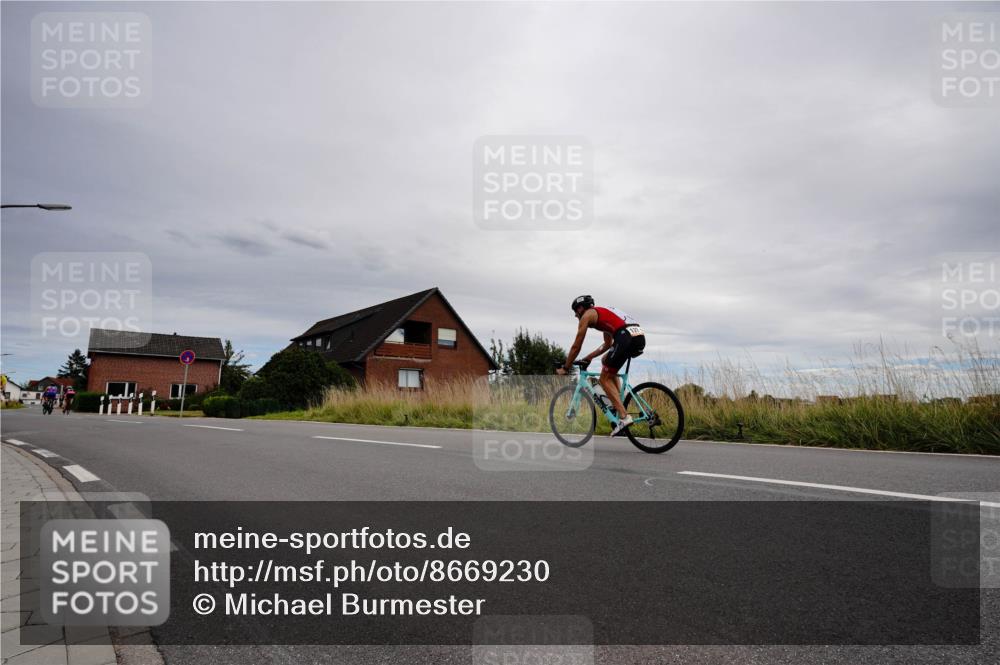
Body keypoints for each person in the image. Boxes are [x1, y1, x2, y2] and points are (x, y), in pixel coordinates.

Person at [557, 295, 647, 436]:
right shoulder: (603, 315)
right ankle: (618, 404)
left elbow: (576, 345)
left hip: (625, 337)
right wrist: (589, 357)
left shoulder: (587, 315)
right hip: (638, 336)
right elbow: (607, 344)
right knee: (606, 361)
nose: (575, 315)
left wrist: (566, 367)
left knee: (604, 379)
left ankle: (624, 417)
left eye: (575, 311)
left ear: (581, 308)